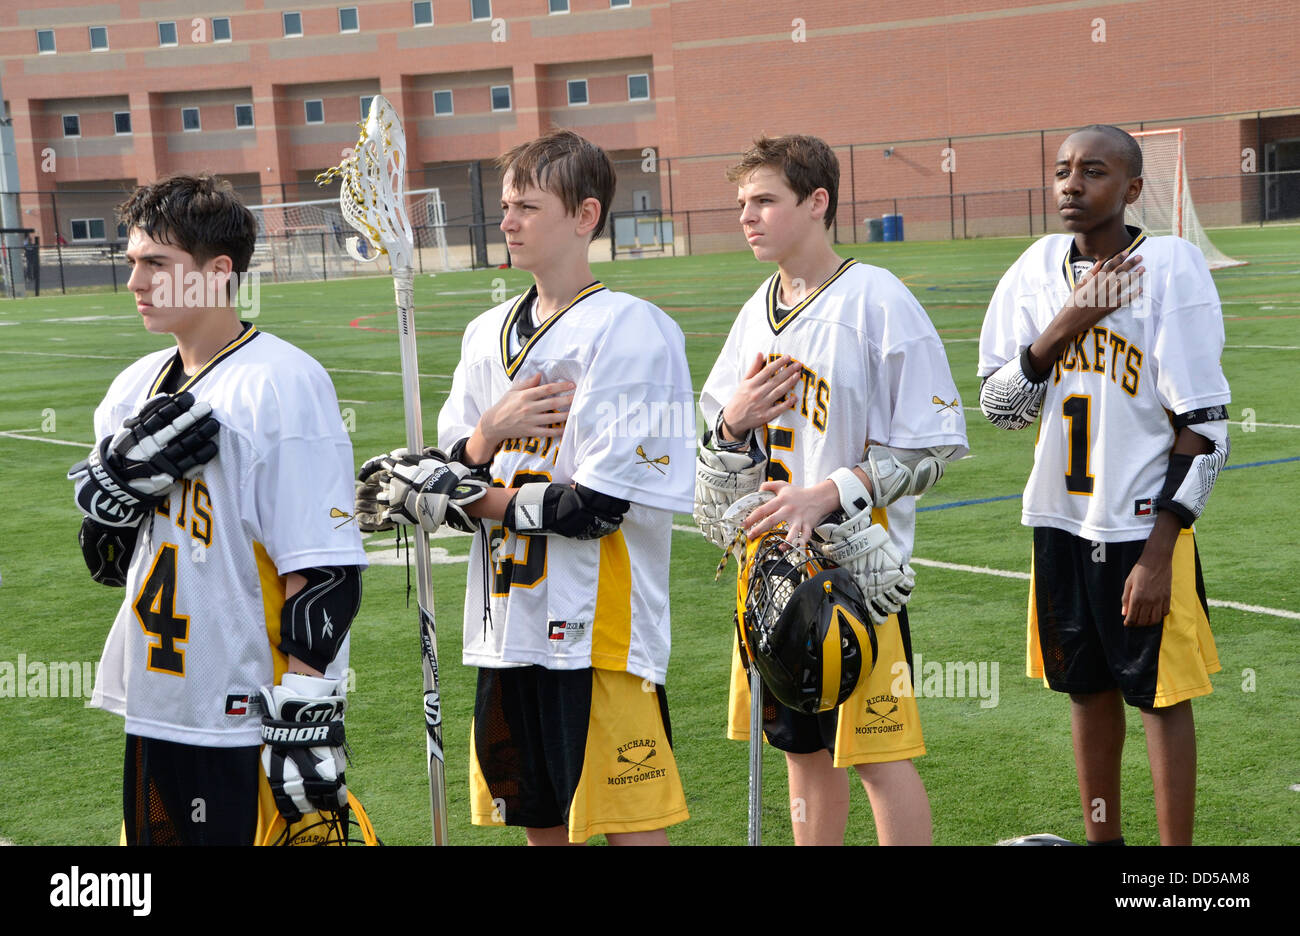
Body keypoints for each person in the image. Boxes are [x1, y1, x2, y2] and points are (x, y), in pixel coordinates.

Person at [358, 130, 695, 845]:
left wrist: (466, 489)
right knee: (538, 825)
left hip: (595, 629)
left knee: (630, 829)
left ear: (584, 215)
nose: (506, 222)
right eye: (506, 206)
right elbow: (446, 468)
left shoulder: (631, 331)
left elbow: (596, 508)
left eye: (527, 207)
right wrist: (488, 434)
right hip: (503, 628)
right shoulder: (486, 333)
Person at [69, 174, 366, 845]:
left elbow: (324, 565)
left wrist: (305, 708)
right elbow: (108, 566)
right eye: (131, 263)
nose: (135, 282)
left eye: (156, 264)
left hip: (242, 708)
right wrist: (111, 499)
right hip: (157, 698)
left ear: (217, 271)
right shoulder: (132, 388)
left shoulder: (281, 383)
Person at [696, 135, 969, 845]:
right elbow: (720, 434)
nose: (748, 217)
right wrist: (732, 423)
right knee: (801, 752)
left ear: (817, 203)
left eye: (764, 201)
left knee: (878, 757)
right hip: (769, 571)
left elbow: (936, 443)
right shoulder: (757, 307)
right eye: (741, 204)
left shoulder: (877, 297)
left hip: (852, 570)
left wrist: (830, 492)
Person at [977, 124, 1230, 845]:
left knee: (1159, 695)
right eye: (1062, 170)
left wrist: (1160, 551)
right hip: (1061, 517)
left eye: (1092, 170)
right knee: (1085, 689)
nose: (1071, 185)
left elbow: (1207, 429)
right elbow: (1001, 410)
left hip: (1142, 525)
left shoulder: (1172, 268)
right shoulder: (1032, 270)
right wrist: (1066, 323)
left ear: (1133, 188)